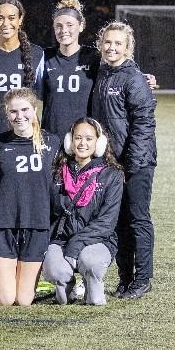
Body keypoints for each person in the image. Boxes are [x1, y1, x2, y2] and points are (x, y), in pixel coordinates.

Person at [91, 21, 157, 300]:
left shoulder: (133, 78)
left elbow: (144, 123)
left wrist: (132, 165)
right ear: (100, 45)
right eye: (107, 42)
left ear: (128, 48)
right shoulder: (102, 74)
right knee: (117, 222)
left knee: (137, 219)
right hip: (111, 164)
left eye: (118, 43)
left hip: (135, 164)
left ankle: (143, 279)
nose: (112, 47)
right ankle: (125, 278)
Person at [0, 88, 60, 306]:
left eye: (25, 110)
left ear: (35, 109)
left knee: (24, 300)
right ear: (6, 114)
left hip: (37, 223)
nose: (20, 116)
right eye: (13, 112)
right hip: (3, 224)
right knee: (6, 300)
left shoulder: (53, 142)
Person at [43, 117, 124, 306]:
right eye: (78, 138)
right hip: (61, 238)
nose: (82, 143)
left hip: (98, 240)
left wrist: (77, 243)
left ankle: (92, 284)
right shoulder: (56, 171)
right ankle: (67, 286)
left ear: (99, 142)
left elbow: (107, 222)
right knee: (56, 274)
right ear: (69, 141)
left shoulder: (112, 174)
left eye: (89, 138)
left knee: (90, 263)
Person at [0, 0, 45, 137]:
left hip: (27, 133)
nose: (5, 23)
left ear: (20, 20)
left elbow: (45, 96)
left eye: (11, 18)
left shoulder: (36, 53)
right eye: (0, 18)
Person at [42, 0, 102, 137]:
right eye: (59, 25)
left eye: (70, 25)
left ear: (81, 26)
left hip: (83, 138)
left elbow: (118, 68)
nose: (64, 30)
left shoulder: (94, 57)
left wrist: (140, 78)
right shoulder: (44, 57)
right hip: (51, 136)